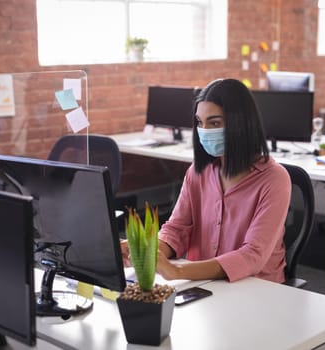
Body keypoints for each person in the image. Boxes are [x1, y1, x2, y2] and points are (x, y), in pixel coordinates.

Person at [121, 78, 291, 283]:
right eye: (200, 123)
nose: (205, 131)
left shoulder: (274, 180)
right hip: (203, 282)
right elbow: (177, 229)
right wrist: (149, 253)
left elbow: (252, 255)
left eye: (215, 123)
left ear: (241, 123)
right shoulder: (198, 173)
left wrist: (177, 271)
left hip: (256, 287)